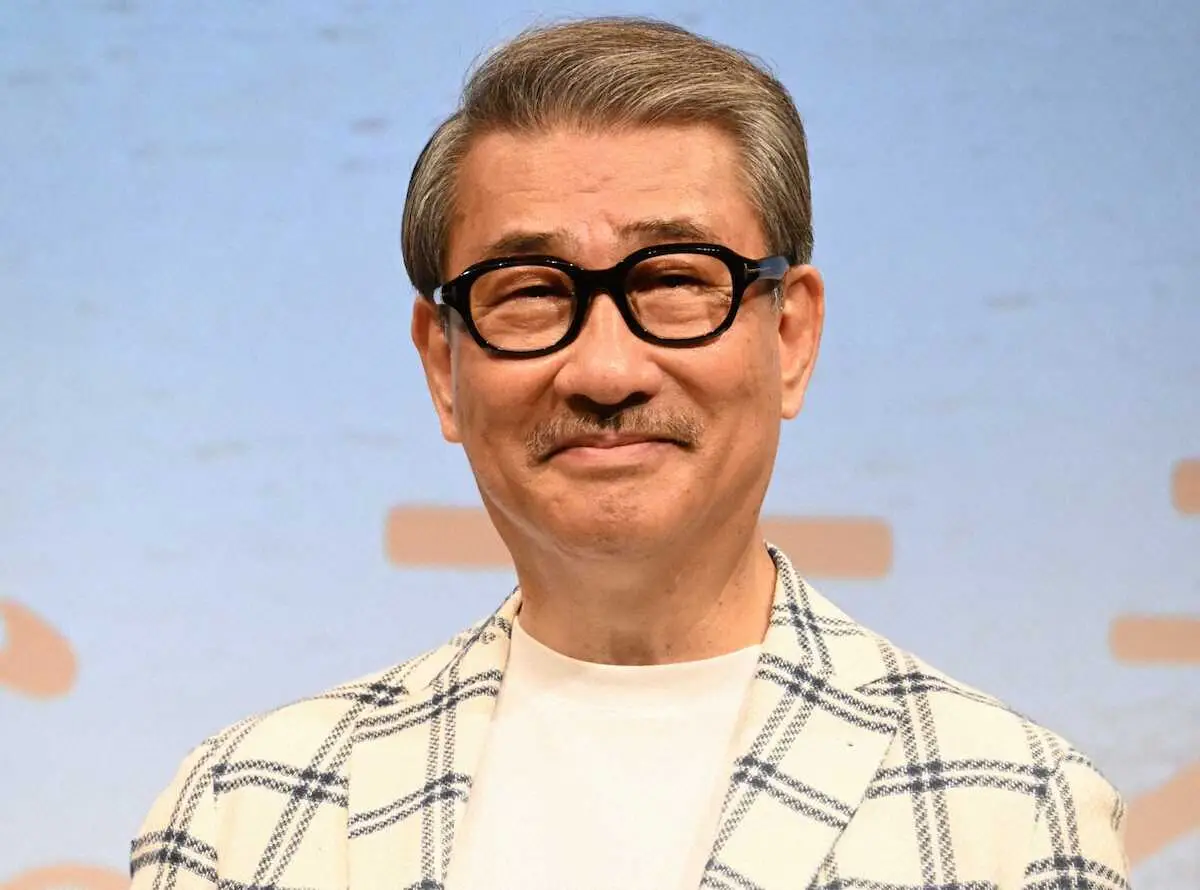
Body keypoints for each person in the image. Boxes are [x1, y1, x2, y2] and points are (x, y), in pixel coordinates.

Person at [130, 17, 1129, 890]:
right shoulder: (245, 813)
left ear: (791, 337)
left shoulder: (1011, 809)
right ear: (443, 362)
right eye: (531, 291)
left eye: (675, 281)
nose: (606, 370)